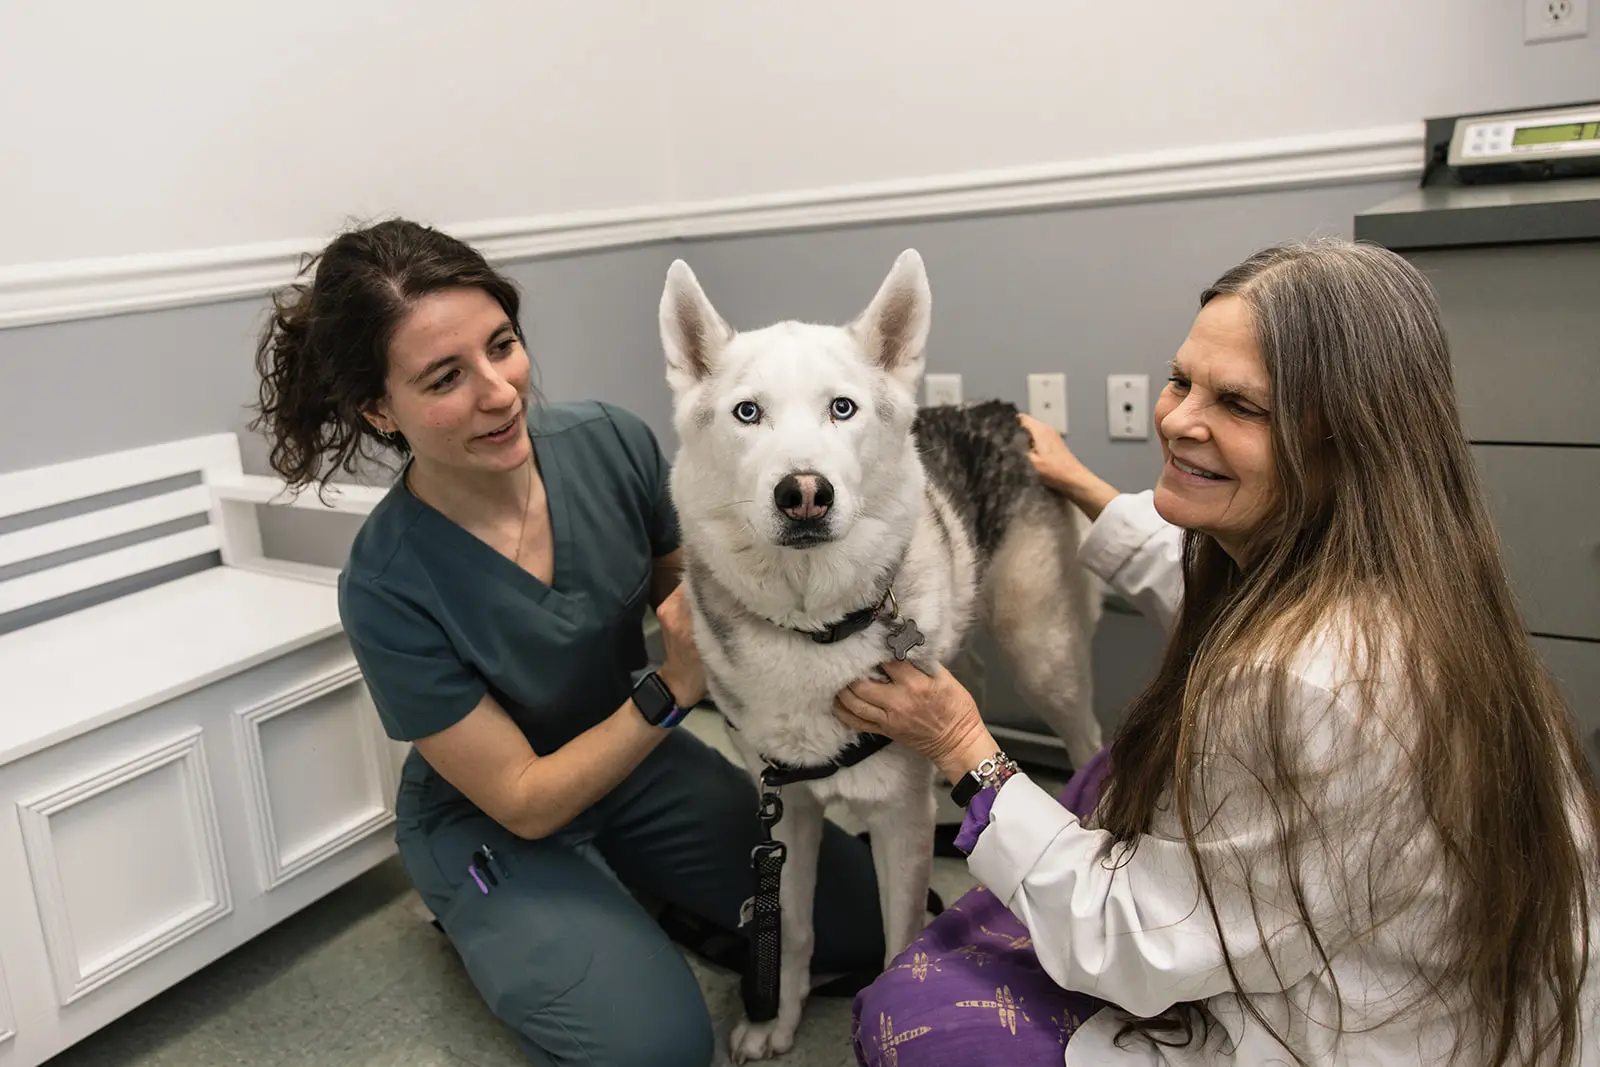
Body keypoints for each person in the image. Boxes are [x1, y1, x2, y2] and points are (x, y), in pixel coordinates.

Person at [841, 238, 1600, 1066]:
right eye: (1181, 380)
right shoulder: (1409, 568)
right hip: (1479, 985)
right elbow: (1192, 574)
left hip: (1361, 1036)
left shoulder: (1300, 683)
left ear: (1348, 443)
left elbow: (1132, 946)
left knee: (913, 1014)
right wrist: (1086, 485)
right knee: (1113, 775)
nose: (1176, 418)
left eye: (1239, 405)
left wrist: (966, 747)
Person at [249, 218, 886, 1067]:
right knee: (655, 1047)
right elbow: (524, 794)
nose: (500, 390)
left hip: (638, 762)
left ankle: (642, 894)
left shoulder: (611, 444)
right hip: (494, 813)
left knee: (869, 921)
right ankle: (472, 908)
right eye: (445, 377)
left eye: (502, 345)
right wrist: (675, 684)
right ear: (379, 409)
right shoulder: (384, 581)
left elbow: (687, 595)